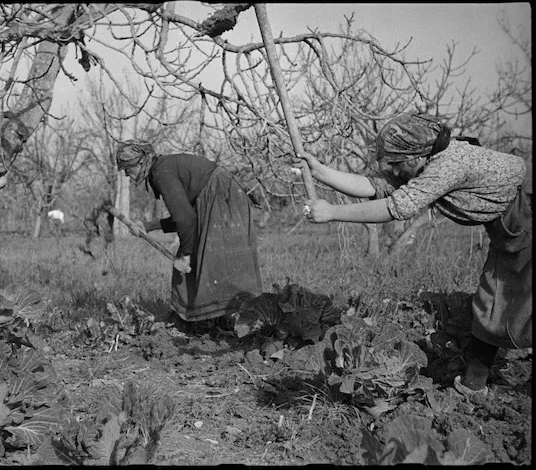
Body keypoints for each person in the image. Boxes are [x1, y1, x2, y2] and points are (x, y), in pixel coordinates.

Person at [301, 113, 532, 394]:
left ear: (417, 156)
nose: (394, 171)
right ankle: (474, 386)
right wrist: (320, 171)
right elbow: (376, 186)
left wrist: (332, 212)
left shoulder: (447, 167)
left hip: (525, 216)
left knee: (510, 298)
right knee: (492, 299)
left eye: (397, 164)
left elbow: (396, 208)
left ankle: (478, 385)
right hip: (509, 226)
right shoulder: (427, 160)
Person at [115, 140, 263, 322]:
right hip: (220, 197)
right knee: (202, 263)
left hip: (223, 199)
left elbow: (186, 220)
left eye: (127, 169)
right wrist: (148, 226)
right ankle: (198, 317)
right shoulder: (163, 168)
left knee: (217, 263)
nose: (127, 175)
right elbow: (185, 215)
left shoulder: (161, 172)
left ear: (139, 163)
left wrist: (185, 255)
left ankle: (234, 318)